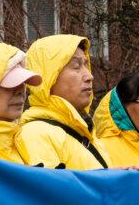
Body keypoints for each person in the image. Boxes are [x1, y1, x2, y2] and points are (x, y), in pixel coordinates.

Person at [16, 35, 111, 170]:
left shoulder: (88, 133)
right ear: (49, 76)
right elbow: (54, 190)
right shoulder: (36, 134)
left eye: (86, 65)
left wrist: (117, 178)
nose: (90, 76)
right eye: (76, 66)